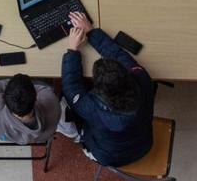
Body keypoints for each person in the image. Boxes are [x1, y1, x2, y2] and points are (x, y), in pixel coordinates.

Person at [60, 12, 156, 167]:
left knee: (73, 116)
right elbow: (120, 56)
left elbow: (71, 88)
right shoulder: (143, 79)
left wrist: (72, 50)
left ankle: (87, 149)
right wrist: (91, 32)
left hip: (107, 156)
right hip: (144, 145)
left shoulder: (91, 109)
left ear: (98, 91)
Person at [0, 73, 60, 145]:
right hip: (38, 138)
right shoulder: (52, 103)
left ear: (4, 98)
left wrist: (12, 89)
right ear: (36, 97)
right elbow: (44, 89)